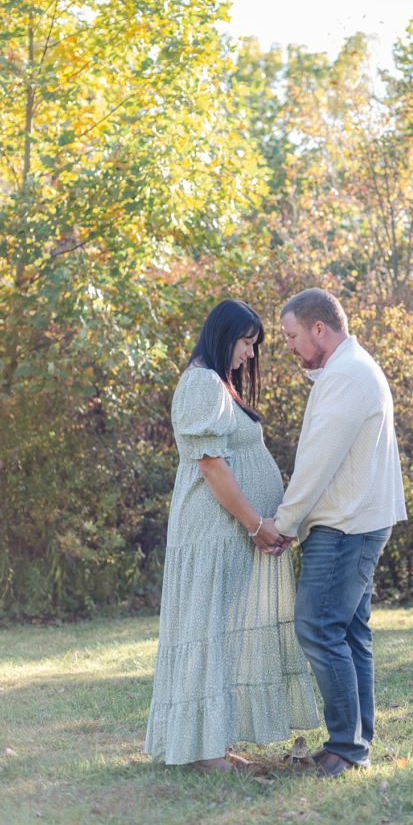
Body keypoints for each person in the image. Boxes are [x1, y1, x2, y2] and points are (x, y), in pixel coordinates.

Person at [144, 299, 318, 771]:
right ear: (225, 336)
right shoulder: (202, 382)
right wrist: (256, 524)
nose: (249, 355)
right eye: (246, 343)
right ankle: (200, 753)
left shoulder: (215, 383)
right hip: (214, 532)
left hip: (228, 533)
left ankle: (210, 744)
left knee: (220, 635)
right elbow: (212, 466)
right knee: (208, 632)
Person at [266, 288, 406, 778]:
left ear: (319, 329)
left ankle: (347, 747)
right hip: (358, 522)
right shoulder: (347, 369)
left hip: (345, 527)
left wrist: (283, 524)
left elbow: (317, 462)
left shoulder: (347, 375)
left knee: (318, 628)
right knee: (348, 632)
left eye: (292, 336)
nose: (290, 346)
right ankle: (354, 743)